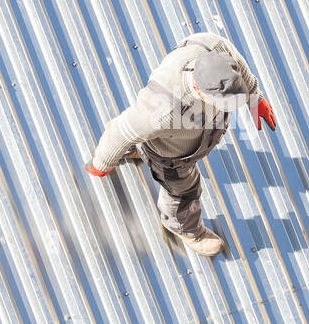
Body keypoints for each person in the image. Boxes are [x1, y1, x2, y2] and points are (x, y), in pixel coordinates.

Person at [84, 33, 277, 255]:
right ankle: (183, 228)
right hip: (172, 157)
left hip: (189, 133)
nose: (232, 107)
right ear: (198, 89)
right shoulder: (162, 110)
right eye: (225, 102)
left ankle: (139, 148)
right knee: (184, 192)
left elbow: (237, 64)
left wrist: (255, 97)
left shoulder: (213, 49)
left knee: (145, 135)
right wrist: (102, 162)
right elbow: (119, 130)